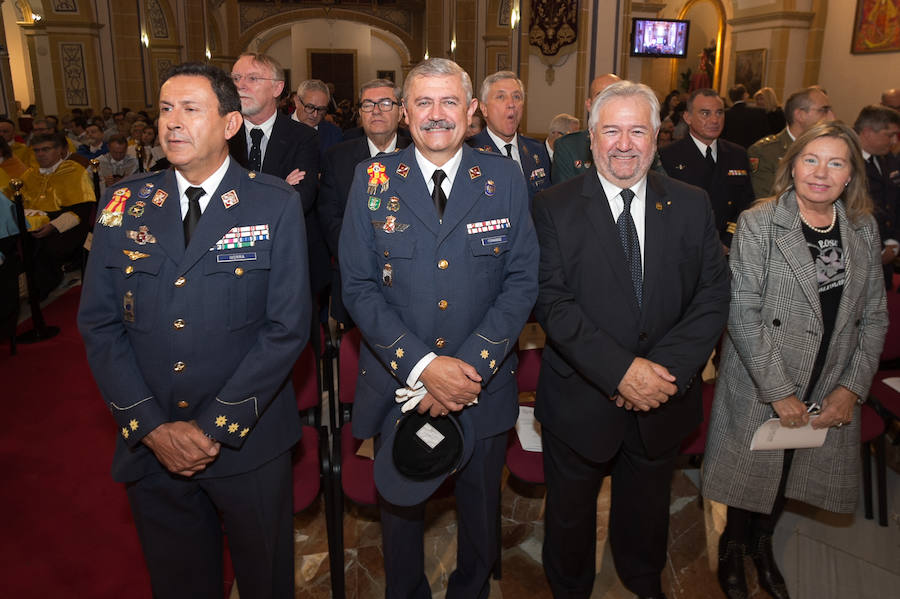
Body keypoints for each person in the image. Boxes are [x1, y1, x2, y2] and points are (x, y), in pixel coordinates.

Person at [77, 61, 310, 599]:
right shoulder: (123, 203)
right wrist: (152, 428)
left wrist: (212, 430)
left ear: (230, 124)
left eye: (190, 109)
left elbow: (287, 327)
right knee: (178, 583)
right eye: (164, 110)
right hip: (151, 442)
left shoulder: (273, 203)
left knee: (265, 580)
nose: (172, 123)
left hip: (247, 443)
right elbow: (99, 323)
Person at [339, 57, 538, 599]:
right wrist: (425, 367)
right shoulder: (372, 178)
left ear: (471, 111)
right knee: (401, 511)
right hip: (400, 380)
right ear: (404, 113)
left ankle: (470, 590)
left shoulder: (503, 177)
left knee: (479, 512)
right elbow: (356, 285)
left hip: (484, 384)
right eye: (423, 102)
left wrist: (467, 367)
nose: (436, 114)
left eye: (449, 101)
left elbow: (522, 280)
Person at [532, 80, 730, 599]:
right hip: (581, 399)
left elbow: (712, 295)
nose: (624, 144)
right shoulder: (551, 206)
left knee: (646, 508)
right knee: (571, 517)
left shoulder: (691, 203)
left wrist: (658, 372)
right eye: (612, 130)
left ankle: (642, 577)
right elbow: (551, 302)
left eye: (637, 130)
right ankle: (569, 586)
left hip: (664, 395)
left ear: (657, 136)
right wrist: (621, 371)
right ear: (591, 137)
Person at [702, 120, 889, 599]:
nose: (821, 173)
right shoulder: (760, 222)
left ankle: (762, 545)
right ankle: (732, 547)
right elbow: (742, 314)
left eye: (835, 163)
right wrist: (780, 392)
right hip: (765, 376)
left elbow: (874, 317)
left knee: (790, 469)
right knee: (752, 470)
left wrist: (852, 388)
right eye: (811, 159)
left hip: (830, 376)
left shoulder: (863, 229)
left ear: (851, 176)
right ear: (792, 166)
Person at [227, 53, 326, 314]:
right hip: (231, 264)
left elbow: (300, 200)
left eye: (252, 78)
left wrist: (243, 195)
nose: (241, 85)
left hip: (289, 262)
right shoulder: (220, 136)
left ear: (277, 88)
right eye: (236, 78)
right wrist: (280, 185)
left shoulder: (303, 137)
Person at [317, 78, 411, 331]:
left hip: (412, 280)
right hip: (357, 281)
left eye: (384, 103)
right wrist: (365, 259)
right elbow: (330, 220)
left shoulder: (419, 153)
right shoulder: (337, 158)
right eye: (368, 104)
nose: (376, 110)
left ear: (402, 111)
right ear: (359, 112)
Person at [659, 89, 755, 252]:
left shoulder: (737, 154)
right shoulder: (668, 156)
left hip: (727, 249)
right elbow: (665, 210)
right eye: (705, 113)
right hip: (685, 248)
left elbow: (747, 204)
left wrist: (728, 240)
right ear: (687, 117)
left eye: (719, 113)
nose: (714, 120)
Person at [19, 132, 95, 298]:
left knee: (43, 249)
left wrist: (53, 227)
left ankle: (41, 288)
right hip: (32, 223)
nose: (40, 154)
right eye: (37, 150)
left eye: (45, 149)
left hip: (67, 225)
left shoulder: (74, 171)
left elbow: (82, 211)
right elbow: (20, 204)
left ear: (60, 150)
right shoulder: (29, 175)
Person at [467, 70, 551, 201]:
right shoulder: (468, 152)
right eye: (501, 97)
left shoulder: (537, 150)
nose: (511, 104)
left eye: (516, 97)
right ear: (484, 109)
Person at [748, 86, 835, 198]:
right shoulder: (765, 152)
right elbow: (767, 204)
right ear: (800, 115)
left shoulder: (829, 151)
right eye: (824, 110)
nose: (832, 117)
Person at [854, 105, 900, 287]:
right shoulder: (846, 160)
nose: (894, 141)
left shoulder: (889, 159)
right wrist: (878, 250)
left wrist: (894, 242)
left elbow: (896, 202)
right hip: (859, 258)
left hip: (886, 260)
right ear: (867, 132)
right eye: (889, 135)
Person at [551, 73, 621, 184]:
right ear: (589, 105)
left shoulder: (639, 145)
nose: (609, 103)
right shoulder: (568, 147)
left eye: (615, 96)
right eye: (601, 97)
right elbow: (563, 197)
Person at [293, 79, 343, 157]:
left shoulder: (334, 134)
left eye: (321, 109)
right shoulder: (277, 129)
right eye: (310, 107)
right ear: (297, 101)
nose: (315, 115)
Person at [721, 84, 769, 149]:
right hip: (752, 151)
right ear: (745, 95)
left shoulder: (724, 114)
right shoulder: (759, 112)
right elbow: (765, 135)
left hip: (730, 151)